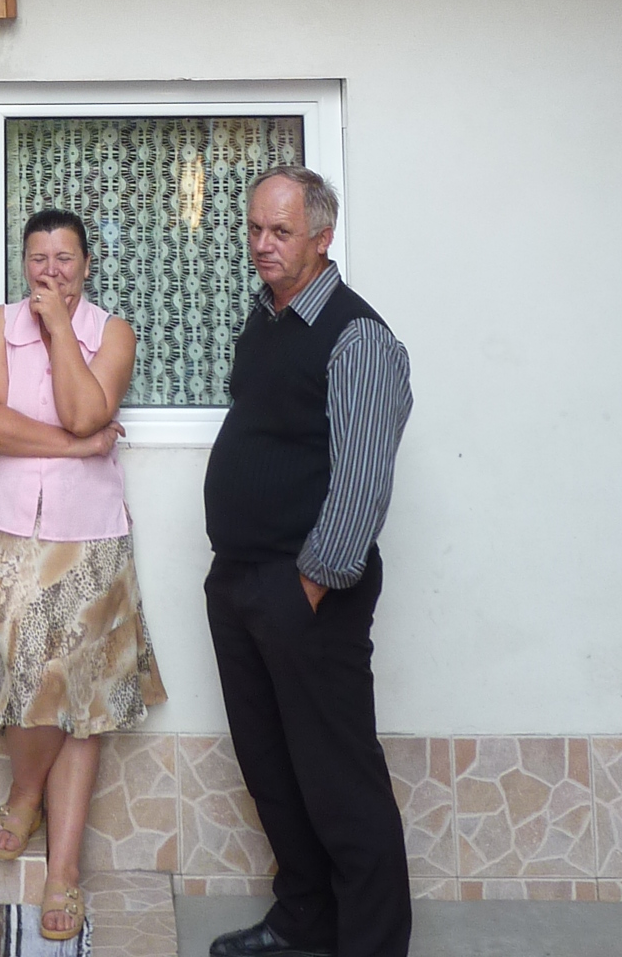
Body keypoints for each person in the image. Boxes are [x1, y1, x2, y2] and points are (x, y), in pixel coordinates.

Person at [202, 168, 412, 957]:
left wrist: (309, 589)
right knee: (274, 772)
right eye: (255, 228)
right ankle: (304, 921)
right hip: (241, 580)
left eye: (281, 232)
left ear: (322, 239)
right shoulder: (266, 318)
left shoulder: (359, 338)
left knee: (338, 780)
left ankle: (372, 944)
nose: (262, 244)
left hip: (305, 590)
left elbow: (362, 483)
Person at [0, 208, 165, 943]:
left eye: (65, 258)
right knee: (28, 679)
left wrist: (58, 332)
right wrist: (78, 449)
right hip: (8, 532)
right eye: (38, 258)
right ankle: (26, 791)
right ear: (24, 263)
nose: (51, 271)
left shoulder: (112, 334)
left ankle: (64, 871)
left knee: (82, 695)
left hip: (91, 537)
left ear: (86, 264)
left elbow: (87, 411)